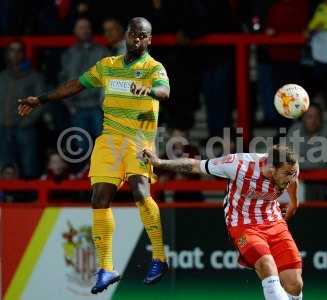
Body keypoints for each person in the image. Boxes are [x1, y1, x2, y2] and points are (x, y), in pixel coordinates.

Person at [18, 17, 170, 294]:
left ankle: (159, 258)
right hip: (109, 139)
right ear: (126, 35)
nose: (137, 39)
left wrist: (148, 90)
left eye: (143, 36)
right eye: (133, 34)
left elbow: (164, 91)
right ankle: (106, 268)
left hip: (139, 139)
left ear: (150, 40)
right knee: (99, 198)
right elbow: (76, 84)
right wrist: (40, 99)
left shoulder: (153, 68)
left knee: (140, 192)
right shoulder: (108, 66)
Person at [144, 145, 303, 300]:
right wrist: (159, 162)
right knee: (267, 267)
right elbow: (195, 166)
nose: (291, 177)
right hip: (243, 224)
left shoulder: (289, 169)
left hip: (274, 221)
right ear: (272, 168)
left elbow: (293, 181)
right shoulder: (239, 165)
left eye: (293, 173)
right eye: (288, 174)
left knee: (295, 284)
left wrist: (294, 203)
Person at [59, 17, 109, 168]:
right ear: (75, 31)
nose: (84, 30)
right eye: (81, 27)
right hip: (77, 107)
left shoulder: (102, 51)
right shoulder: (68, 54)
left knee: (105, 144)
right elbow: (63, 80)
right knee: (81, 147)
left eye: (87, 27)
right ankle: (84, 179)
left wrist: (104, 102)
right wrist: (69, 105)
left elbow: (109, 78)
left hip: (97, 106)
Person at [0, 41, 44, 178]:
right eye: (12, 50)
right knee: (5, 165)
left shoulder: (34, 76)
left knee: (28, 165)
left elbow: (41, 101)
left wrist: (28, 121)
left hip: (25, 128)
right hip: (3, 127)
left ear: (23, 54)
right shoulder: (2, 76)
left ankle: (30, 197)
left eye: (19, 50)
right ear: (7, 54)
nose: (15, 54)